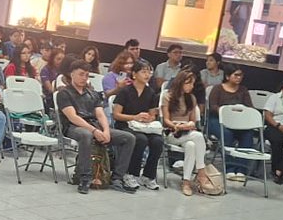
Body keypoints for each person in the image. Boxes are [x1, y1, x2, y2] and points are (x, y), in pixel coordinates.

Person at [57, 60, 138, 195]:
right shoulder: (64, 93)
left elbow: (100, 115)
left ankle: (117, 177)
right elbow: (73, 117)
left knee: (128, 138)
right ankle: (85, 177)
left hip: (94, 125)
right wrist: (94, 130)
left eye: (86, 75)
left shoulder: (92, 94)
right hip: (73, 127)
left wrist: (105, 131)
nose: (84, 78)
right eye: (81, 74)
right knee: (86, 135)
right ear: (72, 74)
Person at [112, 59, 164, 191]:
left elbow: (153, 114)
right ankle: (131, 174)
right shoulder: (125, 91)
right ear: (134, 74)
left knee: (158, 141)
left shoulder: (151, 93)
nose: (147, 75)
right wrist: (134, 117)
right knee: (140, 139)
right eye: (143, 71)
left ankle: (148, 175)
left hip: (143, 126)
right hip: (125, 124)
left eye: (149, 72)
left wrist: (149, 118)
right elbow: (116, 114)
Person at [161, 70, 210, 196]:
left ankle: (186, 181)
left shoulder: (191, 98)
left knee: (191, 146)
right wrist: (176, 126)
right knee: (198, 136)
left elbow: (193, 120)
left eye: (192, 84)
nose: (191, 86)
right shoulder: (167, 96)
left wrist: (188, 125)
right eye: (188, 83)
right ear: (180, 82)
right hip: (172, 132)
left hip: (188, 132)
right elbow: (166, 120)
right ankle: (201, 173)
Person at [207, 65, 254, 180]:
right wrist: (227, 112)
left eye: (240, 75)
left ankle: (242, 169)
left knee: (248, 134)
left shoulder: (243, 90)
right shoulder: (217, 89)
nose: (239, 78)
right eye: (236, 75)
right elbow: (213, 107)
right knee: (227, 134)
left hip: (238, 122)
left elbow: (249, 107)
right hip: (218, 120)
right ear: (228, 76)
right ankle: (230, 168)